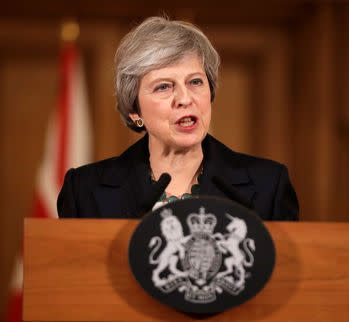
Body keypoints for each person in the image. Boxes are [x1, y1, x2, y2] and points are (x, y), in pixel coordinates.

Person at [57, 17, 299, 221]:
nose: (184, 98)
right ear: (135, 110)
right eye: (164, 87)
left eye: (195, 82)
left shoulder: (268, 184)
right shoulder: (85, 190)